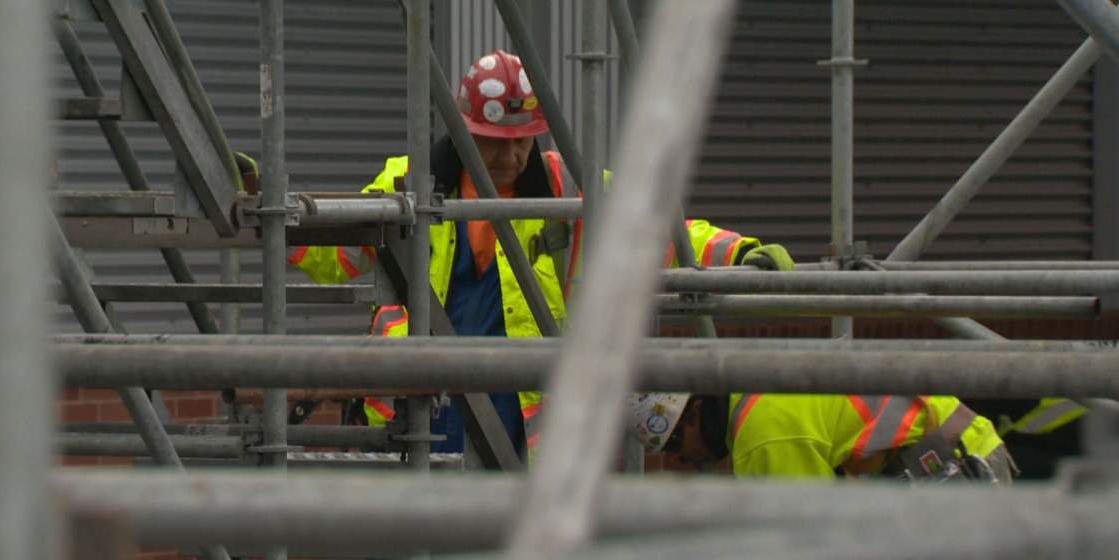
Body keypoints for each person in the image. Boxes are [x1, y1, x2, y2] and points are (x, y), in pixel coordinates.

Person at [289, 50, 794, 458]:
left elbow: (653, 227)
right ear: (465, 132)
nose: (510, 158)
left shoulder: (563, 185)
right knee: (413, 550)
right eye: (493, 144)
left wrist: (740, 254)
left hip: (523, 403)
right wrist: (276, 213)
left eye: (522, 143)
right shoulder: (410, 184)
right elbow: (341, 248)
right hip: (424, 398)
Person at [629, 391, 1015, 483]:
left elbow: (806, 539)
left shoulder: (761, 438)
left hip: (961, 470)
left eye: (677, 444)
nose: (684, 460)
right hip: (962, 452)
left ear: (695, 413)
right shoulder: (756, 397)